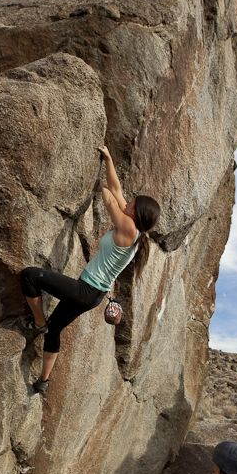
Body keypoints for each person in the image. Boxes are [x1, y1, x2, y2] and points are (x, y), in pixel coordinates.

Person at [18, 144, 160, 393]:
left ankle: (38, 322)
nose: (127, 202)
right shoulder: (136, 232)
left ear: (136, 213)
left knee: (30, 276)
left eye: (132, 203)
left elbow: (110, 200)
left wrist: (99, 185)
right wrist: (108, 159)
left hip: (86, 290)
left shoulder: (128, 228)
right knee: (56, 328)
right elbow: (117, 190)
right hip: (91, 294)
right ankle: (44, 381)